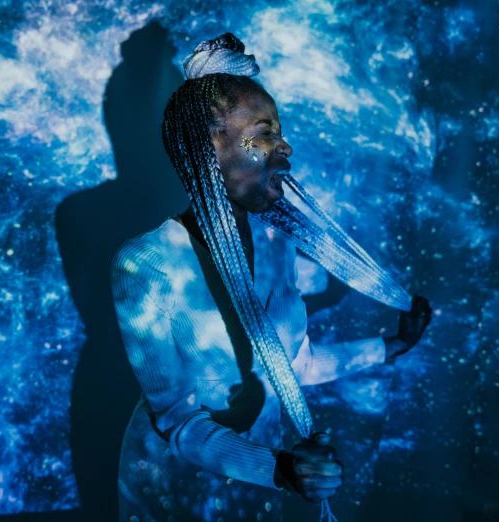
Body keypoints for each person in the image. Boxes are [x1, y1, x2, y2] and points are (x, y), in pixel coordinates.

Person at [110, 33, 432, 521]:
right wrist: (278, 469)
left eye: (279, 133)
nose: (285, 147)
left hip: (255, 492)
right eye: (263, 135)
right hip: (175, 493)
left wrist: (389, 346)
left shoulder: (276, 245)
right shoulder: (145, 263)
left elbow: (290, 369)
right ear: (208, 148)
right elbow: (175, 419)